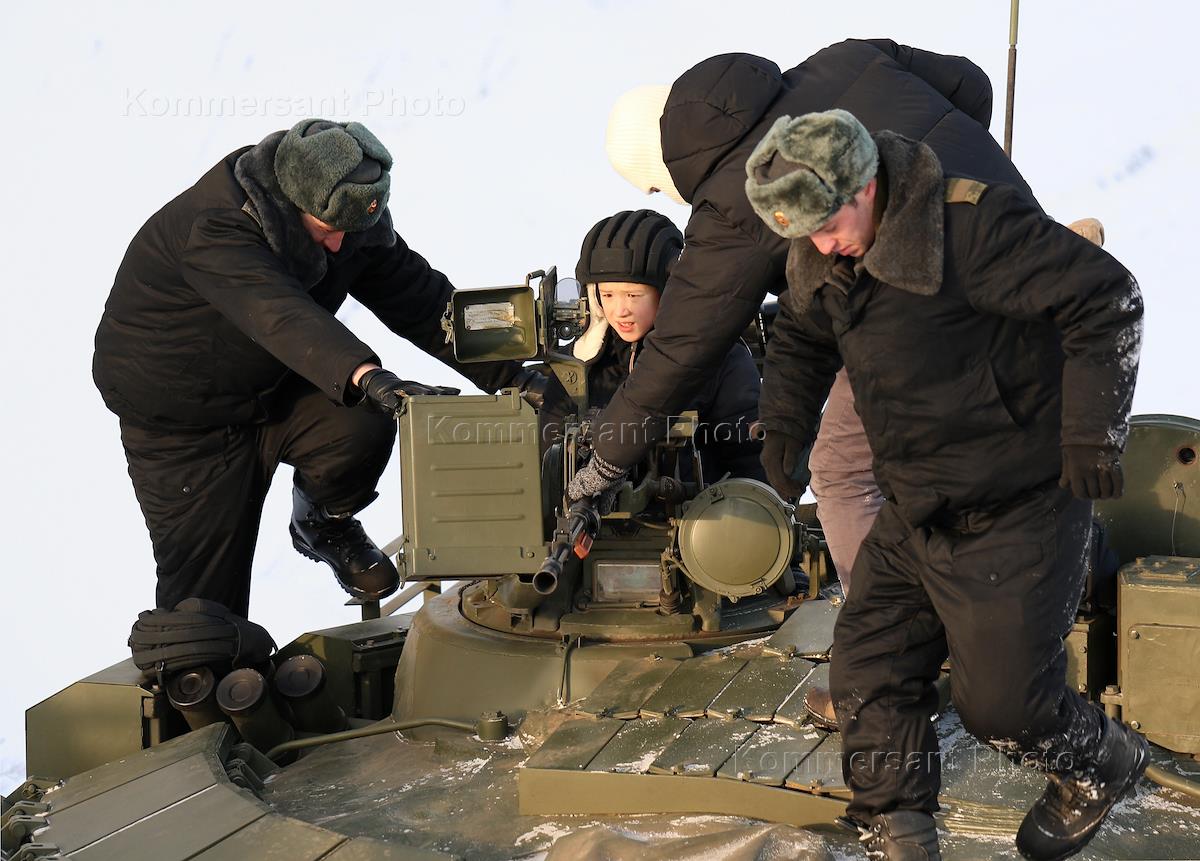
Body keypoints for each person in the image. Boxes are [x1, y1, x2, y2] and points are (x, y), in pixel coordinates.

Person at [744, 108, 1145, 861]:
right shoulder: (821, 253)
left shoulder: (971, 229)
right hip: (916, 506)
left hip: (1019, 503)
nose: (821, 246)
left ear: (865, 185)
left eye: (828, 225)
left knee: (1002, 708)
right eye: (804, 233)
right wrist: (786, 423)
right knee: (867, 673)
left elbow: (1107, 298)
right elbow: (799, 332)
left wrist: (1093, 435)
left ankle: (1101, 763)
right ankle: (897, 833)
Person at [567, 39, 1027, 596]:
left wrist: (605, 461)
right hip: (1019, 237)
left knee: (842, 471)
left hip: (930, 311)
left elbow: (678, 354)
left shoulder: (732, 204)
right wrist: (938, 182)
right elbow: (970, 85)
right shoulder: (843, 59)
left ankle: (893, 627)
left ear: (662, 168)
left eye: (655, 186)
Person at [94, 119, 538, 617]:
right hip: (185, 427)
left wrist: (516, 375)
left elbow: (419, 298)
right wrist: (369, 376)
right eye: (328, 232)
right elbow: (280, 315)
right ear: (295, 203)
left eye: (350, 232)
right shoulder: (218, 225)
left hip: (274, 387)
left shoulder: (342, 214)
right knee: (204, 610)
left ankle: (324, 520)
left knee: (363, 421)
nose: (339, 246)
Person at [567, 209, 764, 485]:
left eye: (633, 295)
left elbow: (753, 463)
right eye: (608, 295)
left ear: (668, 292)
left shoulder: (719, 358)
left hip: (701, 508)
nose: (620, 310)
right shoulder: (583, 360)